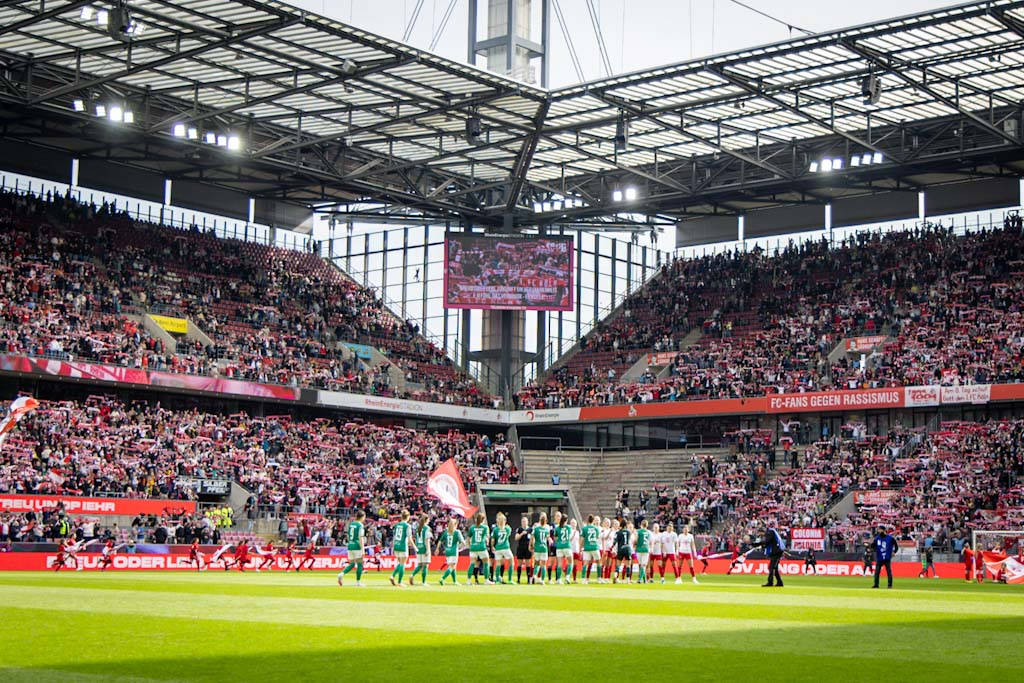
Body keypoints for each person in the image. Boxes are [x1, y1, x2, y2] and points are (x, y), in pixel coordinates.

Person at [337, 510, 366, 587]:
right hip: (357, 546)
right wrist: (363, 550)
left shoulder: (351, 524)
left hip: (350, 545)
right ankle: (358, 582)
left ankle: (341, 574)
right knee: (360, 564)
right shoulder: (360, 525)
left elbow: (348, 536)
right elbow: (361, 538)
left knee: (352, 564)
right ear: (362, 517)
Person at [467, 512, 491, 585]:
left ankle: (468, 580)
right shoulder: (485, 527)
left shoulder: (472, 527)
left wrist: (469, 545)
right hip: (481, 547)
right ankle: (486, 580)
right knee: (486, 562)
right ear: (483, 520)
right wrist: (487, 542)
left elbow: (468, 538)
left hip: (473, 547)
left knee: (472, 564)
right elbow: (487, 538)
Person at [438, 518, 465, 586]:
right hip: (453, 552)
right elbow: (463, 542)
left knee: (453, 567)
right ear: (455, 525)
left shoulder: (446, 532)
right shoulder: (457, 532)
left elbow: (440, 541)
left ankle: (455, 581)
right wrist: (459, 547)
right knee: (452, 567)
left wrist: (437, 549)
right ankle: (442, 578)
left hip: (447, 551)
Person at [409, 513, 432, 586]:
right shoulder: (427, 528)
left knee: (420, 565)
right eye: (428, 519)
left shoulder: (417, 528)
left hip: (419, 548)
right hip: (424, 548)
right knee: (425, 565)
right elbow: (427, 540)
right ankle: (423, 582)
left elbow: (415, 539)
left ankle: (412, 575)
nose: (429, 520)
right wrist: (428, 550)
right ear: (426, 520)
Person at [490, 512, 514, 584]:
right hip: (505, 547)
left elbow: (493, 540)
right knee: (511, 562)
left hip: (498, 548)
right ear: (505, 521)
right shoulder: (507, 529)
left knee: (498, 564)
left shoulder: (495, 530)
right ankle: (510, 579)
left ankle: (497, 580)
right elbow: (508, 534)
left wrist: (492, 546)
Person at [580, 515, 601, 584]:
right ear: (593, 521)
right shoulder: (596, 528)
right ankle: (599, 578)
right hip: (594, 547)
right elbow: (597, 537)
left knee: (585, 563)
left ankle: (583, 579)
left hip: (587, 547)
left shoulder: (585, 528)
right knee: (598, 562)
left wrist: (580, 548)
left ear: (587, 520)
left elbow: (582, 539)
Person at [530, 513, 551, 585]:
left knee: (537, 563)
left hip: (537, 547)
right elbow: (548, 537)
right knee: (543, 565)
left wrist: (531, 545)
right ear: (545, 521)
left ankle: (534, 576)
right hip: (544, 548)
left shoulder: (536, 528)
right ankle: (542, 580)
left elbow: (532, 537)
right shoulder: (546, 529)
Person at [554, 514, 574, 584]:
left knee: (559, 564)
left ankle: (559, 579)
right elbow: (569, 536)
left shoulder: (557, 528)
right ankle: (567, 577)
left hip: (559, 547)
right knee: (570, 562)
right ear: (567, 520)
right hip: (567, 546)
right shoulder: (569, 527)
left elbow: (555, 538)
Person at [612, 518, 633, 583]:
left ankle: (615, 576)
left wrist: (612, 548)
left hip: (621, 548)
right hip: (627, 548)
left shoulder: (618, 532)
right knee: (628, 565)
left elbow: (615, 541)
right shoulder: (629, 532)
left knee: (618, 564)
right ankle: (628, 580)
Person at [514, 515, 532, 584]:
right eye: (522, 521)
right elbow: (516, 538)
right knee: (519, 564)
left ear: (527, 522)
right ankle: (518, 579)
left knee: (528, 564)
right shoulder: (519, 529)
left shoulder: (530, 529)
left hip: (527, 548)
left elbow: (532, 538)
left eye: (525, 521)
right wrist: (521, 534)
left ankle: (528, 580)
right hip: (520, 547)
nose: (524, 523)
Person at [635, 519, 652, 584]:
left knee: (641, 565)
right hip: (646, 549)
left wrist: (635, 544)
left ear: (641, 525)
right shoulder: (648, 532)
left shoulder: (638, 531)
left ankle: (640, 579)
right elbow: (650, 541)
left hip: (639, 549)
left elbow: (636, 540)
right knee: (643, 565)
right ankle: (645, 580)